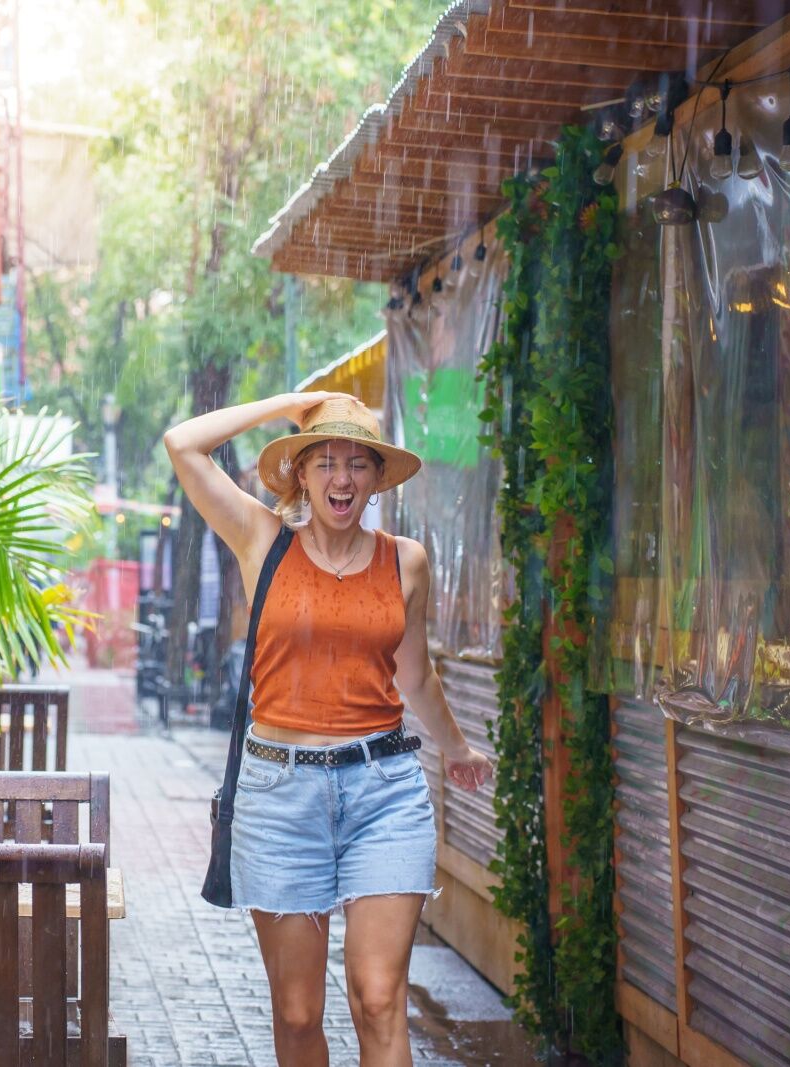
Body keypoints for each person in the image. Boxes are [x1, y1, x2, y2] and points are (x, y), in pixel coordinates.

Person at [164, 391, 494, 1067]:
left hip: (385, 794)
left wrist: (455, 747)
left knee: (378, 998)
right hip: (279, 797)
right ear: (302, 474)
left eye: (358, 463)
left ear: (376, 477)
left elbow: (416, 675)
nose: (343, 478)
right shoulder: (262, 541)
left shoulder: (407, 561)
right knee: (297, 1012)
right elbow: (183, 443)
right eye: (326, 462)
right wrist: (289, 404)